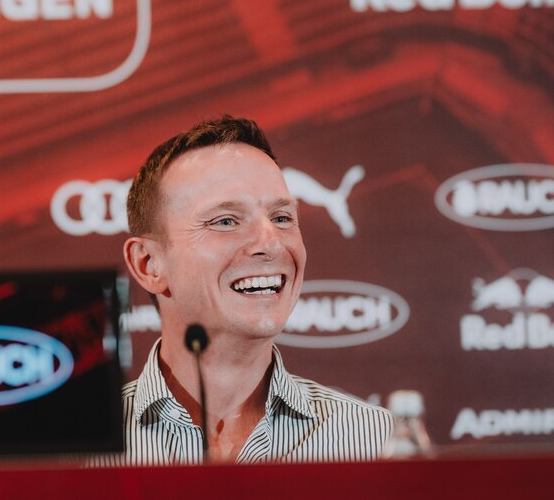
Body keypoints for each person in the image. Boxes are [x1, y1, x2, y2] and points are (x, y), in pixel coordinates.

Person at [117, 116, 392, 464]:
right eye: (226, 221)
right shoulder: (71, 447)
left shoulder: (377, 442)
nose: (271, 243)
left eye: (282, 218)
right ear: (148, 264)